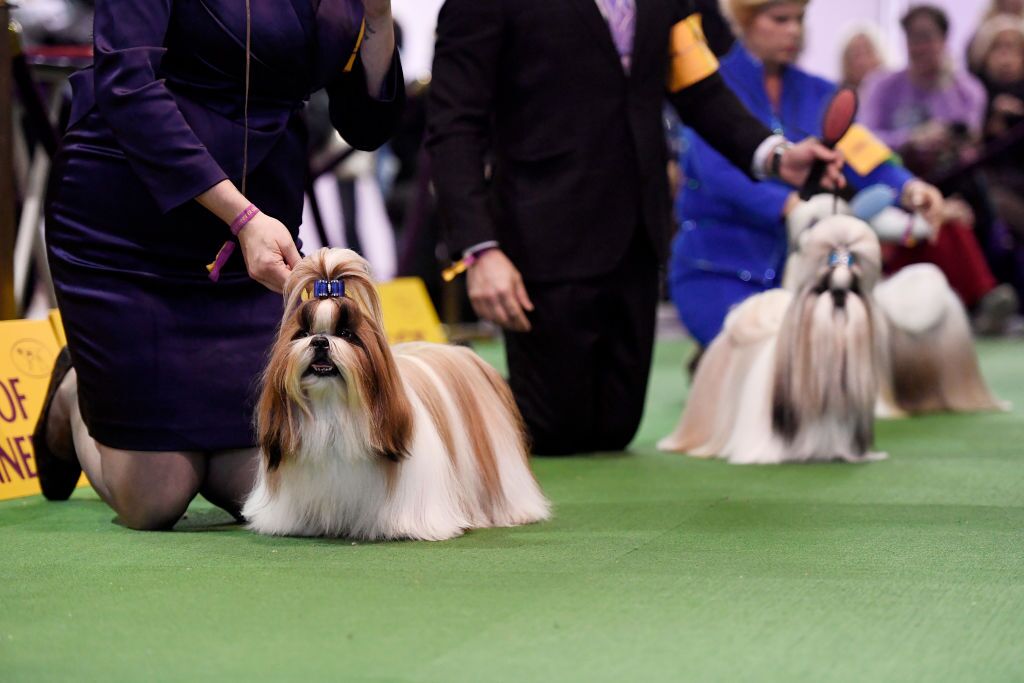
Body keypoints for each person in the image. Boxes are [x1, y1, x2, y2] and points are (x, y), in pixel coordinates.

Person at [33, 0, 404, 530]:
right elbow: (126, 84)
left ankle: (171, 427)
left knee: (267, 488)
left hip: (258, 238)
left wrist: (380, 19)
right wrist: (241, 216)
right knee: (155, 498)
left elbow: (366, 127)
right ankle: (74, 396)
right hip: (129, 223)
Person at [425, 0, 844, 455]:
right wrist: (479, 248)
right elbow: (453, 126)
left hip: (637, 235)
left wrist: (775, 155)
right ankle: (445, 415)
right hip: (542, 236)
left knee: (614, 429)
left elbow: (700, 89)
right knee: (554, 429)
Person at [667, 0, 944, 349]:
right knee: (763, 353)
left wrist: (909, 188)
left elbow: (861, 154)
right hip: (717, 271)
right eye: (780, 19)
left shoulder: (820, 92)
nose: (794, 30)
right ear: (744, 23)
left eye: (799, 19)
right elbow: (718, 174)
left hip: (803, 275)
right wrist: (791, 205)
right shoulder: (710, 88)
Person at [860, 5, 1019, 333]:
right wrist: (911, 140)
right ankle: (983, 294)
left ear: (945, 40)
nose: (921, 47)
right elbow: (864, 141)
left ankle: (980, 297)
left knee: (962, 209)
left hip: (951, 184)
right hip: (896, 185)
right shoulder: (882, 86)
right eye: (913, 38)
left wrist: (948, 94)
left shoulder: (965, 89)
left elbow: (970, 140)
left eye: (928, 38)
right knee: (948, 219)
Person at [840, 26, 886, 91]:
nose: (863, 61)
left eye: (868, 52)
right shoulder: (839, 94)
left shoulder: (889, 91)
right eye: (856, 55)